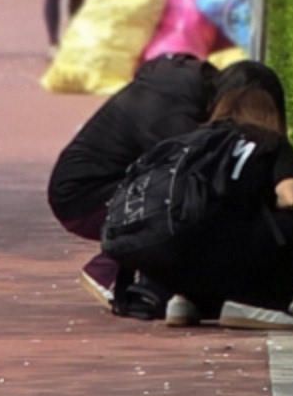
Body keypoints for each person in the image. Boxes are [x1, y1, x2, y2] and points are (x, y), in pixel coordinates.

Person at [110, 65, 293, 329]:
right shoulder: (269, 141)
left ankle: (184, 301)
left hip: (174, 256)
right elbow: (292, 197)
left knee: (207, 231)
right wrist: (262, 206)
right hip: (231, 253)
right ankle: (261, 304)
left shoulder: (193, 139)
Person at [47, 48, 221, 317]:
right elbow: (194, 166)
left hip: (82, 187)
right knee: (183, 201)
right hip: (83, 197)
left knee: (178, 194)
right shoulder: (166, 117)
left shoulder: (166, 90)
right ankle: (108, 271)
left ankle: (143, 275)